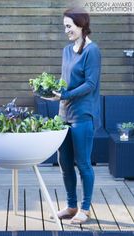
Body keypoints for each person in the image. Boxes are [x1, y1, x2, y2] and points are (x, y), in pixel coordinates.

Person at [42, 8, 101, 224]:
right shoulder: (67, 50)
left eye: (69, 26)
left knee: (83, 163)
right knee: (64, 162)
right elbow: (64, 79)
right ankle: (71, 205)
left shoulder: (92, 51)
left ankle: (85, 209)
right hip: (64, 113)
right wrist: (52, 93)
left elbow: (90, 84)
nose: (66, 30)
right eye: (65, 26)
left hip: (83, 115)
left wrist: (66, 94)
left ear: (81, 26)